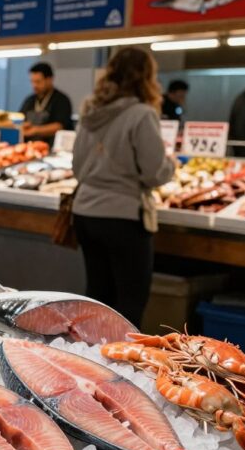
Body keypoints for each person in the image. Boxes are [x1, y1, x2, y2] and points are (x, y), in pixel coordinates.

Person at [71, 48, 175, 329]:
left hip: (85, 213)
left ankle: (93, 360)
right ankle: (122, 366)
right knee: (130, 301)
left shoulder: (90, 112)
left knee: (98, 296)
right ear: (147, 78)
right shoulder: (141, 114)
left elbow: (77, 168)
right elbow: (154, 172)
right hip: (123, 217)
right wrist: (171, 165)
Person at [20, 62, 73, 144]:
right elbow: (20, 119)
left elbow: (59, 126)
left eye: (38, 82)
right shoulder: (29, 101)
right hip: (29, 148)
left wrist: (35, 130)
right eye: (32, 82)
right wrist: (23, 125)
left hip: (52, 150)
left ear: (49, 79)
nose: (34, 85)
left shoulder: (61, 100)